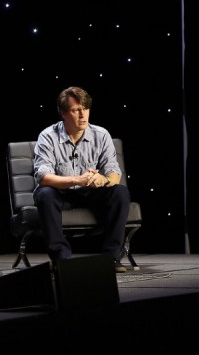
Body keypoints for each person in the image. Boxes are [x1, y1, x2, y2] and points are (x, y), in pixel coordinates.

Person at [33, 86, 131, 273]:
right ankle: (61, 259)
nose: (82, 115)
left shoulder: (101, 135)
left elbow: (113, 174)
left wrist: (103, 180)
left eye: (85, 108)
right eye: (75, 110)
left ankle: (111, 257)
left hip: (90, 191)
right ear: (62, 113)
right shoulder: (48, 137)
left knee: (119, 191)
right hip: (60, 191)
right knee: (45, 194)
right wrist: (77, 180)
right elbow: (43, 177)